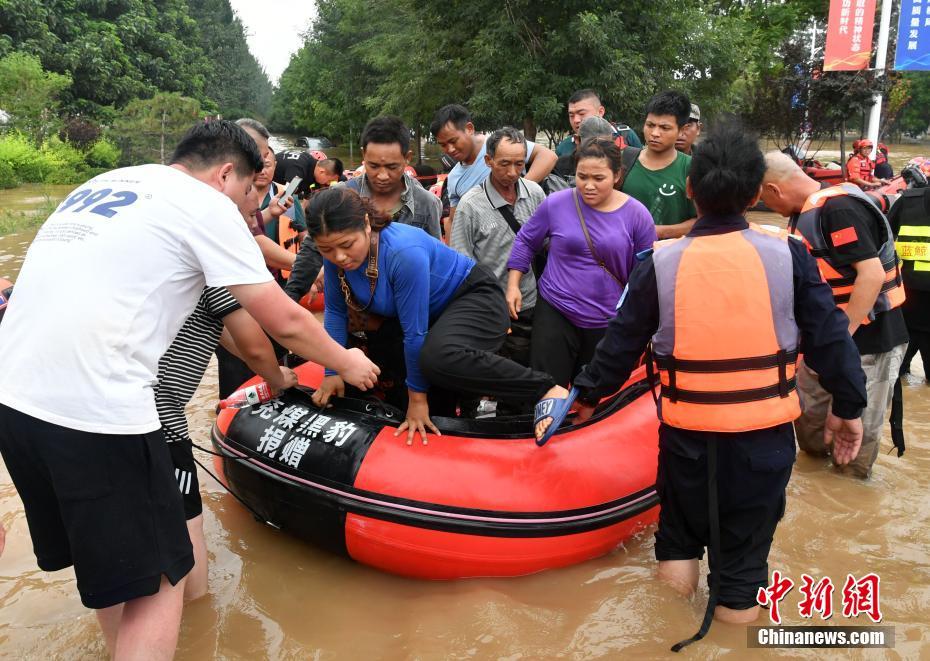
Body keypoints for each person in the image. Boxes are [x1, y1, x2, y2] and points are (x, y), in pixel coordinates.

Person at [0, 120, 378, 659]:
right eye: (251, 194)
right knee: (164, 580)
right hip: (101, 414)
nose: (253, 209)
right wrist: (349, 361)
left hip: (15, 405)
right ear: (226, 174)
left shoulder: (108, 183)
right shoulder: (203, 206)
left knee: (114, 576)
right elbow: (284, 322)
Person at [533, 121, 866, 645]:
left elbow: (619, 348)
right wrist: (849, 407)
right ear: (756, 193)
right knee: (740, 576)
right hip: (762, 446)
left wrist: (583, 398)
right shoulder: (789, 254)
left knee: (678, 547)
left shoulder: (660, 263)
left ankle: (662, 642)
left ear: (691, 189)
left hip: (686, 440)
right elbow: (831, 342)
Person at [308, 187, 557, 444]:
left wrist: (417, 400)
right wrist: (332, 371)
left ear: (367, 224)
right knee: (394, 355)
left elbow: (414, 334)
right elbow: (336, 311)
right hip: (430, 314)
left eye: (347, 245)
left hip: (474, 298)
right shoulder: (335, 256)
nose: (339, 256)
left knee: (437, 358)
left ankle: (545, 388)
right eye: (326, 249)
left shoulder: (402, 253)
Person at [761, 151, 907, 478]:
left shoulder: (838, 209)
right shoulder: (804, 214)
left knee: (854, 448)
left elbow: (870, 275)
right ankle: (819, 493)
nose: (769, 208)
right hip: (822, 343)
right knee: (810, 431)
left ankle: (849, 493)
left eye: (765, 201)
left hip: (869, 340)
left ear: (773, 190)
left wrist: (839, 338)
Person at [507, 138, 655, 387]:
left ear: (617, 175)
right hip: (556, 308)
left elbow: (646, 272)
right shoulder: (556, 203)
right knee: (545, 386)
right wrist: (513, 284)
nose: (588, 186)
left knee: (593, 392)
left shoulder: (637, 215)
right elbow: (526, 241)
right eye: (582, 176)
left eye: (599, 178)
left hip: (607, 318)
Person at [284, 116, 442, 308]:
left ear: (407, 158)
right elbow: (312, 250)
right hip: (351, 302)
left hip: (401, 304)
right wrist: (290, 296)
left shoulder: (426, 204)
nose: (382, 176)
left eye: (392, 167)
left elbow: (434, 263)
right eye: (373, 166)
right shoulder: (340, 194)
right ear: (363, 155)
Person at [450, 127, 546, 365]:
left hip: (533, 303)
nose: (512, 172)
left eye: (519, 164)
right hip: (492, 308)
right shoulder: (470, 205)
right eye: (504, 164)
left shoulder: (535, 193)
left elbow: (548, 242)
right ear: (488, 161)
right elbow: (462, 263)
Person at [431, 104, 557, 231]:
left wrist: (520, 190)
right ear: (488, 160)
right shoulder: (454, 178)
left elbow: (548, 156)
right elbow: (454, 222)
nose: (450, 149)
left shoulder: (499, 144)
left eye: (453, 141)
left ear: (469, 129)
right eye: (443, 145)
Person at [621, 90, 697, 239]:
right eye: (650, 125)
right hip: (624, 258)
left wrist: (656, 232)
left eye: (664, 128)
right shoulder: (623, 160)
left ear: (681, 130)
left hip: (669, 258)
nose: (655, 133)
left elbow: (701, 221)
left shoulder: (692, 168)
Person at [889, 185, 930, 382]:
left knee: (895, 375)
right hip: (907, 297)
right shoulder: (906, 201)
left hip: (905, 298)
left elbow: (881, 239)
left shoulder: (906, 201)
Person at [554, 89, 642, 157]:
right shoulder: (564, 148)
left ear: (600, 112)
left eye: (582, 114)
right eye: (571, 115)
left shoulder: (626, 135)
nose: (576, 120)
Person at [552, 115, 616, 181]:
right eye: (591, 145)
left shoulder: (616, 165)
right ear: (577, 140)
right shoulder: (561, 166)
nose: (598, 151)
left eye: (605, 146)